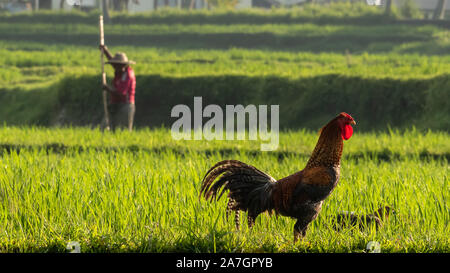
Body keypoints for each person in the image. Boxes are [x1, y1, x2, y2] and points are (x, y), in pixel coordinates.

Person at [99, 45, 136, 131]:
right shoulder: (119, 71)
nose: (115, 67)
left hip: (125, 105)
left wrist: (107, 88)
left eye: (117, 65)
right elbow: (112, 61)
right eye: (115, 65)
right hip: (115, 104)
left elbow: (121, 93)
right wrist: (105, 51)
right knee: (109, 128)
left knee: (123, 130)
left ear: (123, 65)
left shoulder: (128, 74)